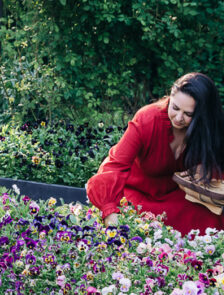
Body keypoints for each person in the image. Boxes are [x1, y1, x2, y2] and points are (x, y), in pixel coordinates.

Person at [86, 72, 224, 235]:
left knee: (212, 215)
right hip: (137, 194)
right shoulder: (147, 119)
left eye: (188, 114)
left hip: (176, 196)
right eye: (175, 107)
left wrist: (206, 170)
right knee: (142, 219)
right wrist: (109, 210)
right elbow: (115, 165)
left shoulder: (206, 128)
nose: (179, 118)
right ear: (170, 97)